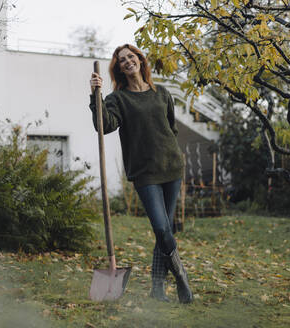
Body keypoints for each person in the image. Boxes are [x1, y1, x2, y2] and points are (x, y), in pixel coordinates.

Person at [89, 44, 193, 304]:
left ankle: (157, 289)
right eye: (121, 60)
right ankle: (182, 279)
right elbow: (104, 126)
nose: (127, 62)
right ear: (118, 68)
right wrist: (95, 96)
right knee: (161, 227)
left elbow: (171, 127)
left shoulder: (162, 93)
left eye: (131, 57)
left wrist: (168, 151)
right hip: (144, 173)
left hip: (171, 168)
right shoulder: (117, 98)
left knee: (165, 231)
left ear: (140, 60)